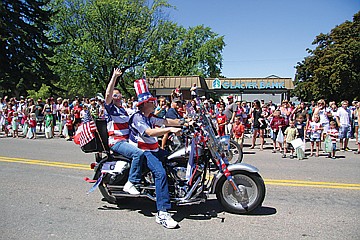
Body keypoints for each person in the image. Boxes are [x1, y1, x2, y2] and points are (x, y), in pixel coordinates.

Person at [129, 78, 184, 229]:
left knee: (176, 160)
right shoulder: (137, 117)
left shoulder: (150, 117)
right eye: (152, 101)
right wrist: (169, 130)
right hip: (145, 151)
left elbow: (166, 121)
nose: (154, 103)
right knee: (160, 173)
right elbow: (149, 132)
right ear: (144, 104)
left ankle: (176, 191)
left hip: (155, 149)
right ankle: (162, 213)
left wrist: (186, 121)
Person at [104, 68, 145, 195]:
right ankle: (131, 183)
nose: (116, 97)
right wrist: (114, 77)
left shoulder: (124, 110)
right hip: (117, 142)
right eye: (114, 95)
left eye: (118, 95)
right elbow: (107, 95)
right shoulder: (111, 109)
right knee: (138, 154)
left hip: (128, 141)